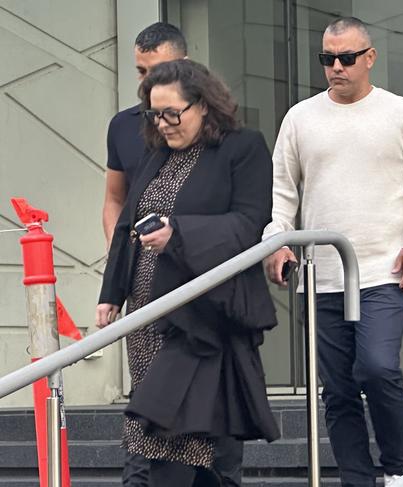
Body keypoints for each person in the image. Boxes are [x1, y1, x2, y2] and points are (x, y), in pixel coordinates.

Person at [263, 17, 403, 487]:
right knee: (339, 390)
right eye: (328, 59)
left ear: (370, 57)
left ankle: (398, 468)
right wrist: (277, 241)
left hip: (383, 270)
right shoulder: (300, 118)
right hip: (322, 273)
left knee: (377, 367)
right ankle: (355, 479)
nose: (336, 67)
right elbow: (282, 194)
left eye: (346, 58)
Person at [96, 59, 279, 487]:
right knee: (165, 434)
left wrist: (179, 233)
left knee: (176, 433)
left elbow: (249, 223)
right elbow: (127, 223)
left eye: (172, 113)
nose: (163, 124)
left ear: (203, 105)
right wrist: (111, 293)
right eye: (155, 115)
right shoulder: (157, 152)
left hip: (200, 319)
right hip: (146, 320)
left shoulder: (243, 147)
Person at [102, 22, 187, 246]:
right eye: (142, 72)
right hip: (138, 259)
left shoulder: (209, 125)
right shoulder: (122, 125)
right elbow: (114, 198)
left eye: (160, 71)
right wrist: (116, 251)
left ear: (185, 67)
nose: (149, 81)